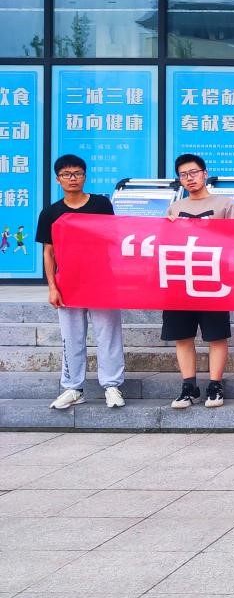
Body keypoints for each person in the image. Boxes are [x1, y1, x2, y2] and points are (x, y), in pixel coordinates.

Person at [36, 154, 127, 410]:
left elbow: (114, 237)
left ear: (85, 176)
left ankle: (111, 386)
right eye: (66, 174)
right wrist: (52, 287)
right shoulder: (51, 212)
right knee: (71, 337)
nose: (72, 178)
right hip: (69, 284)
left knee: (108, 335)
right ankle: (73, 388)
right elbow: (48, 252)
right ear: (58, 179)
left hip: (101, 281)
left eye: (77, 173)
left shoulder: (101, 204)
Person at [165, 154, 234, 409]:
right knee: (182, 335)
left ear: (205, 173)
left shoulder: (224, 204)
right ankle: (189, 386)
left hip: (213, 279)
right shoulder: (174, 209)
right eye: (184, 175)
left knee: (216, 335)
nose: (190, 178)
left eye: (194, 172)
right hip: (179, 279)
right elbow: (164, 243)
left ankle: (215, 385)